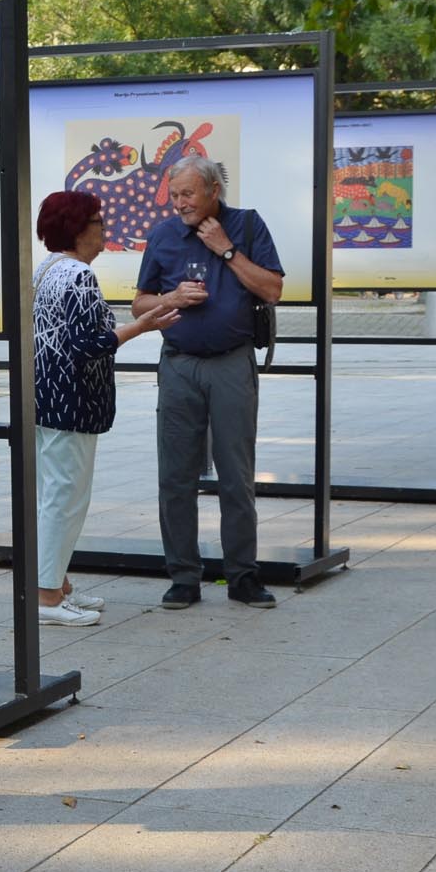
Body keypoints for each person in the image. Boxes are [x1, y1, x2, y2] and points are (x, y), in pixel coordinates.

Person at [133, 156, 285, 611]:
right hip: (178, 364)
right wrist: (170, 298)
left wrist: (226, 250)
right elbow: (139, 304)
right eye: (173, 195)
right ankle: (183, 577)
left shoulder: (247, 226)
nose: (179, 203)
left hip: (231, 363)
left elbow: (273, 290)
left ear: (212, 191)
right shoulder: (162, 235)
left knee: (236, 476)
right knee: (175, 475)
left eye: (187, 194)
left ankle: (242, 577)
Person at [31, 191, 179, 626]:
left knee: (53, 496)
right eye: (97, 221)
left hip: (46, 398)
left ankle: (56, 585)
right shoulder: (77, 276)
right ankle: (46, 598)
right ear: (78, 229)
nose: (103, 228)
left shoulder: (48, 269)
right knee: (66, 499)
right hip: (70, 401)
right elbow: (87, 345)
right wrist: (142, 326)